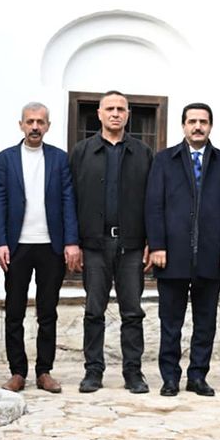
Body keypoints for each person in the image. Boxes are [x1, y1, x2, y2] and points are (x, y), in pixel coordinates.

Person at [145, 103, 220, 397]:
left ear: (210, 125)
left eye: (203, 121)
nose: (197, 126)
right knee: (170, 323)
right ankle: (170, 378)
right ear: (183, 125)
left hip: (211, 256)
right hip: (172, 256)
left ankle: (198, 376)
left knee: (205, 323)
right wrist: (157, 245)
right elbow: (154, 205)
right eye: (192, 121)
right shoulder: (164, 161)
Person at [69, 91, 154, 394]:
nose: (115, 113)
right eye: (110, 108)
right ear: (99, 114)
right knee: (94, 311)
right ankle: (93, 371)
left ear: (128, 114)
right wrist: (73, 242)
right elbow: (70, 200)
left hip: (131, 245)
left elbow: (153, 201)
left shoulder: (143, 153)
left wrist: (152, 241)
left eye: (121, 109)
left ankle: (133, 373)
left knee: (132, 312)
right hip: (94, 245)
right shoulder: (81, 152)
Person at [0, 102, 81, 393]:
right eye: (30, 121)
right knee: (14, 311)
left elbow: (68, 199)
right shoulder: (5, 159)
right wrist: (0, 242)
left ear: (47, 126)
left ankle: (44, 372)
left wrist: (71, 241)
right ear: (21, 124)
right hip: (16, 246)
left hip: (50, 246)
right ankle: (17, 372)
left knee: (47, 312)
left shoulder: (59, 158)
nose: (35, 127)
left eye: (40, 122)